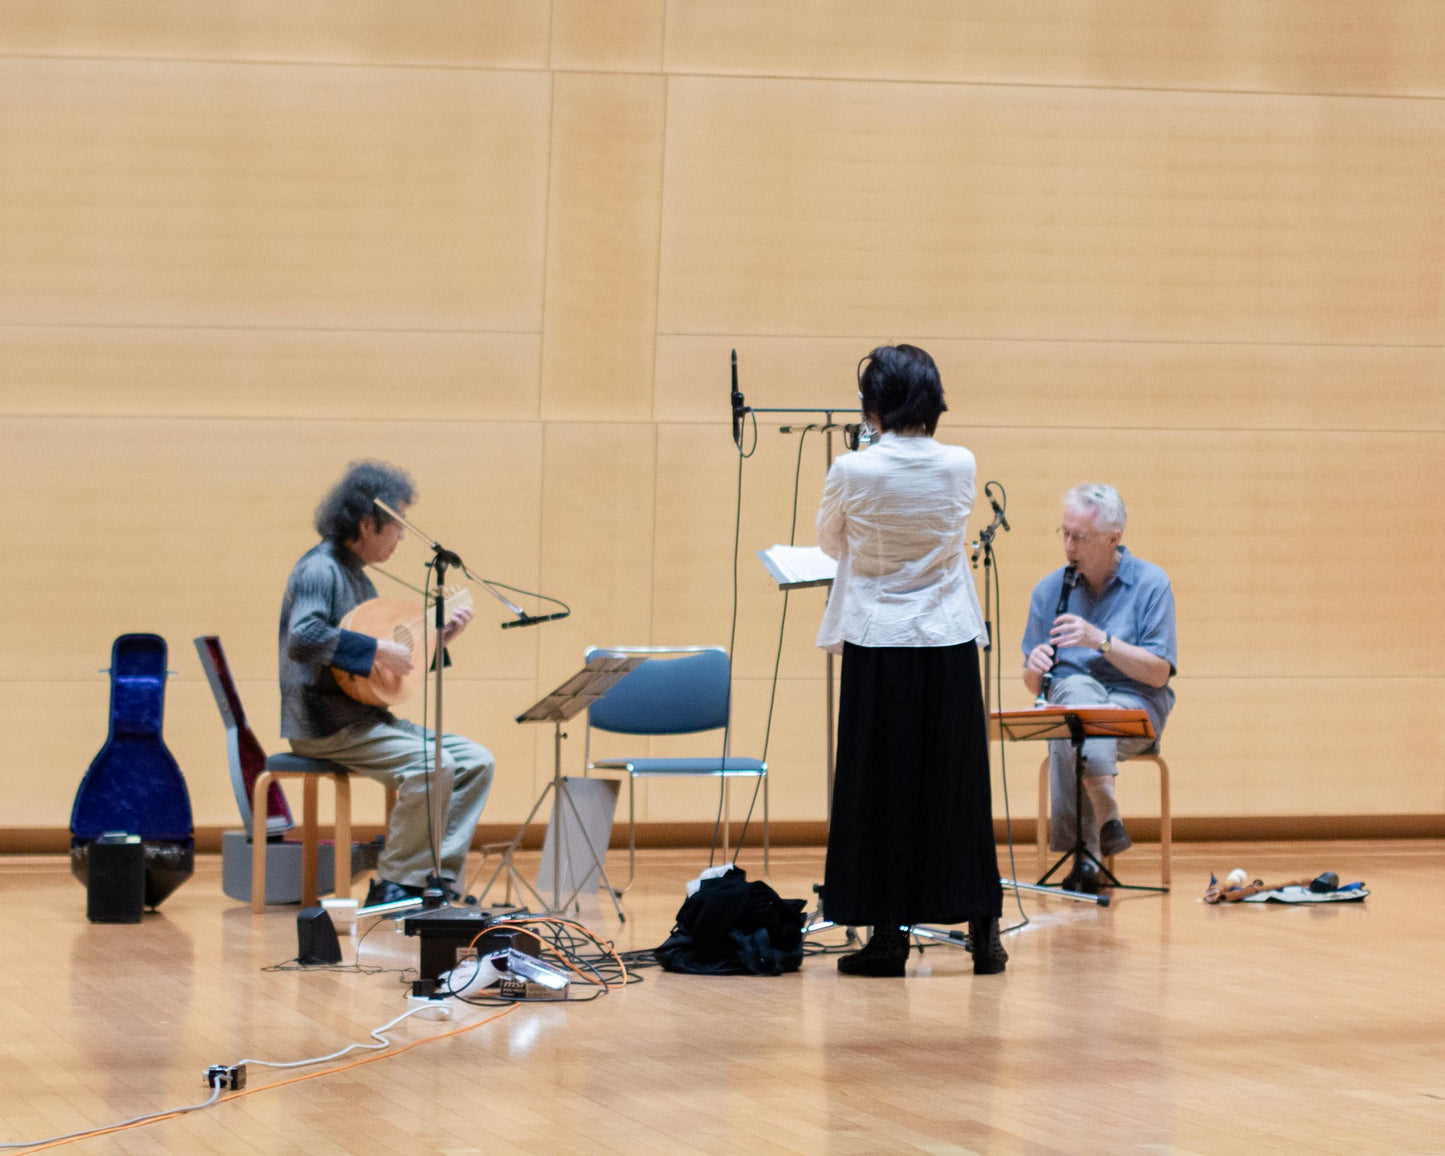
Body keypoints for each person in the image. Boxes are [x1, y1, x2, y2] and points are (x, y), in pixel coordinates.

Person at [816, 344, 1006, 977]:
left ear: (876, 403)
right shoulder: (961, 463)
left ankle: (888, 939)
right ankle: (985, 934)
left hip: (880, 641)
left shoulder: (854, 469)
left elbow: (829, 541)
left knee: (882, 791)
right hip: (949, 637)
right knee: (958, 787)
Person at [279, 460, 495, 907]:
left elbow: (382, 674)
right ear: (366, 523)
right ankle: (395, 884)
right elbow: (304, 637)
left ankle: (437, 878)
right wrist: (378, 650)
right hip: (326, 725)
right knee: (431, 766)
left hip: (366, 719)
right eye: (396, 525)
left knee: (476, 761)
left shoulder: (359, 578)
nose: (400, 536)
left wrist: (438, 639)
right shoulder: (320, 570)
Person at [1021, 483, 1177, 893]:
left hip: (1135, 703)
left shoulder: (1151, 584)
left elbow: (1159, 673)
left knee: (1070, 727)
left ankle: (1084, 854)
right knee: (1073, 698)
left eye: (1081, 537)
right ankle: (1106, 816)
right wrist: (1034, 668)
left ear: (1114, 538)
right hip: (1072, 703)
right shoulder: (1048, 590)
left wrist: (1101, 641)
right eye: (1066, 534)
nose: (1069, 546)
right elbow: (1034, 682)